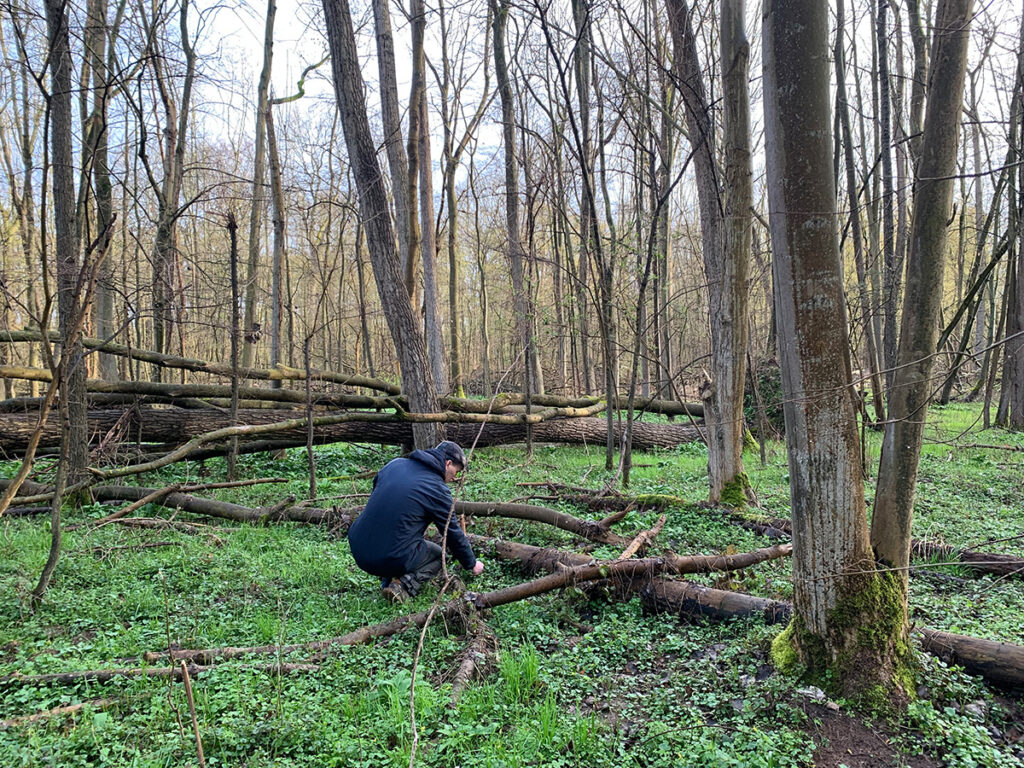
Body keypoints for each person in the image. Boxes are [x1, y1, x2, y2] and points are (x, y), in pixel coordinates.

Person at [347, 440, 485, 602]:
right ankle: (402, 586)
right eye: (456, 471)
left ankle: (387, 578)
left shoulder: (394, 464)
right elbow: (452, 532)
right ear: (448, 464)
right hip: (386, 556)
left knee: (402, 535)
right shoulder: (437, 488)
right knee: (436, 555)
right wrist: (471, 563)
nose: (455, 478)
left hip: (357, 546)